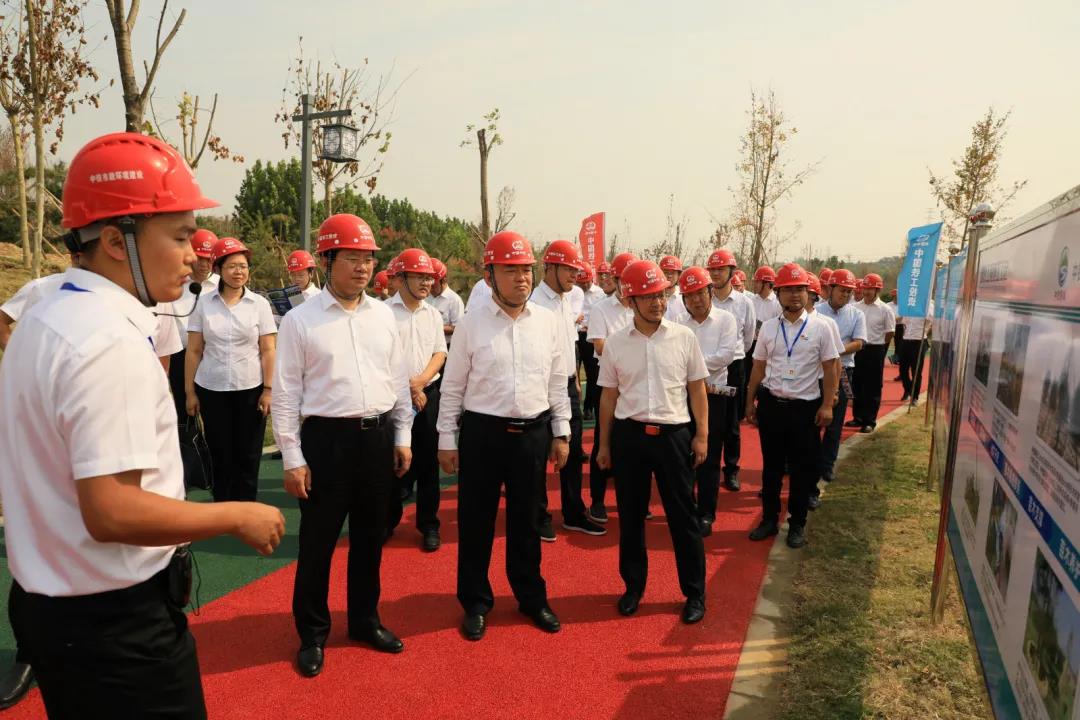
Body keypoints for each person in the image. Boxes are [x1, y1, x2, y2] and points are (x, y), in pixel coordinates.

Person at [0, 131, 285, 718]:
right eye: (179, 236)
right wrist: (236, 515)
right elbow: (112, 510)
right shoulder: (106, 340)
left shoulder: (47, 313)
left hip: (55, 608)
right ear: (114, 240)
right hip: (118, 627)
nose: (195, 255)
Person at [272, 212, 414, 677]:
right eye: (351, 258)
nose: (362, 267)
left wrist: (402, 435)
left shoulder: (384, 316)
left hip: (377, 439)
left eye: (368, 259)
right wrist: (292, 458)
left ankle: (364, 620)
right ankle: (312, 633)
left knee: (371, 539)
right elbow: (286, 394)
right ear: (327, 259)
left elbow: (396, 380)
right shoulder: (300, 321)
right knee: (318, 543)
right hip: (326, 443)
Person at [436, 231, 571, 642]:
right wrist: (446, 438)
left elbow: (557, 381)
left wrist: (562, 431)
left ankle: (531, 597)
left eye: (526, 270)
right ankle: (475, 602)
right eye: (510, 271)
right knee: (476, 522)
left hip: (532, 434)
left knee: (527, 522)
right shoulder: (471, 325)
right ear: (489, 275)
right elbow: (453, 386)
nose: (521, 278)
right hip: (483, 434)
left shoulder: (547, 323)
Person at [595, 259, 710, 624]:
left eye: (661, 295)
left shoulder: (684, 337)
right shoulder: (616, 344)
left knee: (683, 517)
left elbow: (697, 389)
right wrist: (604, 445)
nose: (657, 302)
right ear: (630, 301)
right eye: (648, 296)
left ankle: (694, 593)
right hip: (630, 437)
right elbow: (608, 397)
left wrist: (702, 435)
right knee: (630, 517)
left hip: (674, 436)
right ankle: (633, 587)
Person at [746, 263, 840, 549]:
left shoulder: (822, 327)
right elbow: (758, 366)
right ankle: (769, 519)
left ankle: (797, 523)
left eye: (800, 289)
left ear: (809, 293)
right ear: (778, 293)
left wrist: (828, 405)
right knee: (772, 468)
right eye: (788, 290)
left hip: (805, 410)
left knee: (802, 470)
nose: (795, 295)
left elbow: (831, 368)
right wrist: (750, 401)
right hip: (772, 406)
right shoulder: (769, 328)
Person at [184, 237, 277, 503]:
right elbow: (194, 350)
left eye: (243, 266)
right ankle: (223, 508)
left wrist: (268, 390)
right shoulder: (203, 303)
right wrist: (190, 392)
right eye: (233, 266)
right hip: (211, 388)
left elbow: (268, 349)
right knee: (219, 452)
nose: (239, 272)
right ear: (218, 269)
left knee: (248, 454)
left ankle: (246, 508)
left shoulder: (259, 304)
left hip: (251, 388)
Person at [531, 240, 606, 539]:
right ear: (549, 267)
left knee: (573, 452)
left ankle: (573, 512)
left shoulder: (566, 299)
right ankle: (539, 516)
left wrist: (574, 377)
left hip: (567, 384)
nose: (575, 274)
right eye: (568, 269)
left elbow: (569, 342)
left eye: (576, 269)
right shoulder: (535, 303)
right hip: (541, 387)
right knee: (540, 454)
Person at [385, 248, 448, 551]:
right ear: (400, 278)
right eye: (420, 277)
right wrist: (408, 389)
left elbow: (440, 353)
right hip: (393, 397)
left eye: (429, 278)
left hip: (428, 395)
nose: (426, 283)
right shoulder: (383, 313)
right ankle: (388, 520)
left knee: (428, 464)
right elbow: (381, 357)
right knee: (392, 463)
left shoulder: (432, 314)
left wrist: (421, 382)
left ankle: (429, 524)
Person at [677, 266, 739, 537]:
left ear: (710, 292)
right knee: (683, 454)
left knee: (710, 456)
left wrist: (693, 369)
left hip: (714, 396)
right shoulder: (679, 324)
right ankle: (687, 507)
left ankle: (706, 512)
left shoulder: (726, 320)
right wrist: (695, 374)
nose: (696, 300)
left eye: (700, 293)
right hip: (683, 397)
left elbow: (726, 356)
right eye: (689, 296)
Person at [585, 251, 638, 522]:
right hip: (608, 381)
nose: (628, 285)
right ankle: (597, 501)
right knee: (603, 437)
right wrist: (631, 350)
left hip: (637, 381)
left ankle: (635, 502)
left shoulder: (642, 305)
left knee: (634, 440)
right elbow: (599, 345)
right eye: (623, 280)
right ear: (615, 280)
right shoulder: (601, 309)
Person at [706, 248, 756, 491]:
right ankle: (706, 467)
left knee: (732, 423)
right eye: (712, 269)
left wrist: (733, 357)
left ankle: (731, 469)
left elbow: (748, 339)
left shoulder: (745, 303)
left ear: (731, 272)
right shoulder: (704, 299)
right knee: (706, 420)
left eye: (721, 269)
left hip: (734, 367)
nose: (716, 273)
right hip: (706, 369)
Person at [814, 269, 866, 492]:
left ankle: (827, 465)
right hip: (817, 372)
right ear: (830, 288)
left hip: (843, 371)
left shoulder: (856, 315)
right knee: (812, 420)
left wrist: (833, 350)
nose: (845, 295)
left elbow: (859, 342)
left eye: (849, 291)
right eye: (842, 290)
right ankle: (807, 462)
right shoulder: (816, 311)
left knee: (834, 424)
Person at [848, 272, 895, 433]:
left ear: (878, 290)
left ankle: (869, 421)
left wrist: (881, 347)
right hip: (858, 349)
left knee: (872, 386)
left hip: (875, 349)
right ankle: (858, 417)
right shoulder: (855, 307)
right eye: (865, 288)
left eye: (870, 289)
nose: (866, 291)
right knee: (857, 384)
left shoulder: (885, 309)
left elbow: (890, 332)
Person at [575, 261, 606, 421]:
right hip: (574, 336)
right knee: (572, 375)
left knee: (593, 375)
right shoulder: (571, 293)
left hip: (591, 338)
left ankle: (589, 407)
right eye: (580, 283)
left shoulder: (600, 294)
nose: (583, 286)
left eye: (585, 282)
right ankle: (574, 409)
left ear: (591, 279)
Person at [897, 300, 932, 403]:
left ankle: (915, 396)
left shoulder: (927, 304)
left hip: (919, 341)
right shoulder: (909, 303)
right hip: (906, 339)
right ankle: (908, 389)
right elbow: (900, 319)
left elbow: (931, 320)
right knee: (902, 370)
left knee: (916, 370)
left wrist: (922, 311)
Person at [427, 257, 465, 348]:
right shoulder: (424, 297)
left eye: (433, 285)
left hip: (447, 347)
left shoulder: (454, 300)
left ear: (444, 280)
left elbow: (458, 328)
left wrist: (434, 327)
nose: (430, 288)